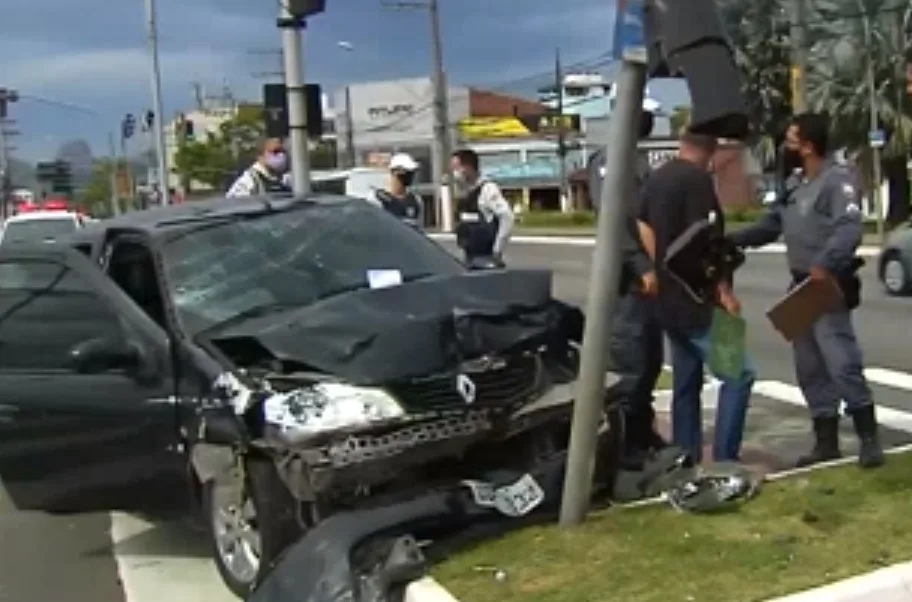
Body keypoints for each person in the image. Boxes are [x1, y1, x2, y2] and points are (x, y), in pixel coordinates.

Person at [728, 112, 884, 469]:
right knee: (809, 367)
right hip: (799, 285)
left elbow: (849, 229)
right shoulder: (794, 184)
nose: (786, 146)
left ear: (809, 146)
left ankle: (869, 438)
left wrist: (826, 263)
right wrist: (736, 239)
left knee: (841, 362)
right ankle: (825, 440)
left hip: (824, 284)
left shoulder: (836, 180)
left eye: (793, 140)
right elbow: (772, 224)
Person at [638, 128, 755, 464]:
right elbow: (707, 243)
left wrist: (660, 268)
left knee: (686, 381)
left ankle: (685, 458)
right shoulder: (698, 182)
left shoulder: (657, 178)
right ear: (712, 148)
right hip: (699, 300)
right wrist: (724, 292)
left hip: (666, 298)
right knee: (740, 374)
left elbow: (643, 225)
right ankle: (725, 459)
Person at [587, 110, 666, 465]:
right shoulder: (608, 160)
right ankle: (625, 446)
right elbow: (614, 219)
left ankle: (642, 431)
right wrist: (642, 264)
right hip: (626, 280)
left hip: (649, 279)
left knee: (651, 360)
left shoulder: (640, 157)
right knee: (630, 364)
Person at [450, 149, 514, 265]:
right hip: (469, 255)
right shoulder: (465, 191)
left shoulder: (487, 189)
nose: (455, 173)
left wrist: (497, 249)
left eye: (457, 168)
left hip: (486, 257)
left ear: (468, 167)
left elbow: (507, 217)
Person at [369, 153, 424, 229]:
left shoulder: (416, 200)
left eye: (412, 172)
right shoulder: (378, 200)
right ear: (394, 172)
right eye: (406, 172)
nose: (410, 175)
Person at [226, 138, 292, 197]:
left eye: (283, 152)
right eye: (275, 152)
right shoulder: (248, 181)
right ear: (260, 156)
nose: (281, 156)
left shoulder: (288, 179)